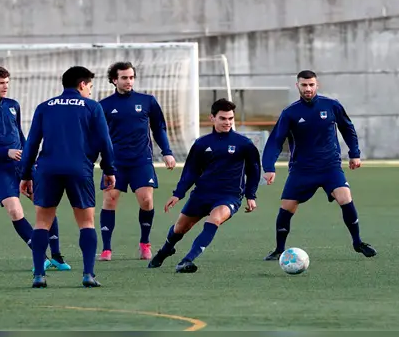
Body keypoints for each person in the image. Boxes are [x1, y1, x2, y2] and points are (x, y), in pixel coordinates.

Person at [261, 70, 376, 260]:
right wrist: (269, 167)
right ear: (297, 85)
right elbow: (275, 140)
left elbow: (347, 128)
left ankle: (357, 242)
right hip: (302, 170)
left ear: (317, 85)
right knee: (287, 207)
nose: (308, 89)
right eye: (304, 85)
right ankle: (279, 249)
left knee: (345, 197)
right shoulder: (290, 113)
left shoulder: (331, 106)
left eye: (311, 85)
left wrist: (354, 153)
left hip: (330, 167)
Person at [20, 66, 117, 288]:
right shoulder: (92, 107)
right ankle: (88, 275)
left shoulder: (44, 107)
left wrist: (25, 174)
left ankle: (38, 275)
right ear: (82, 84)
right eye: (90, 86)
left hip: (47, 169)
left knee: (42, 222)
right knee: (86, 222)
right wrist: (109, 169)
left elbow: (31, 144)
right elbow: (105, 141)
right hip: (79, 169)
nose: (90, 91)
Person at [0, 66, 69, 270]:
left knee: (45, 205)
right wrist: (7, 152)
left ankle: (56, 255)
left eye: (7, 83)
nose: (5, 87)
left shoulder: (13, 105)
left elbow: (19, 135)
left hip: (22, 165)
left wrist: (29, 158)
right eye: (1, 83)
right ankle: (41, 257)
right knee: (14, 211)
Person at [148, 99, 261, 273]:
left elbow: (254, 171)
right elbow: (190, 171)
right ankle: (166, 250)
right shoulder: (201, 144)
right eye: (223, 118)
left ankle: (187, 260)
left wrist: (251, 195)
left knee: (214, 219)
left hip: (229, 195)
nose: (227, 122)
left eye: (230, 118)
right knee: (180, 228)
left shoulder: (244, 144)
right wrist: (178, 194)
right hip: (202, 194)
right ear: (212, 118)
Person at [98, 61, 176, 262]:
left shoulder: (148, 101)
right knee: (110, 199)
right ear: (114, 80)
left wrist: (167, 152)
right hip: (115, 162)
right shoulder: (104, 105)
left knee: (147, 200)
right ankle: (106, 249)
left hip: (141, 160)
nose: (128, 81)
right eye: (124, 78)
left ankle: (145, 243)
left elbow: (159, 128)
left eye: (131, 77)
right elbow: (97, 135)